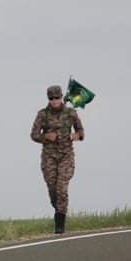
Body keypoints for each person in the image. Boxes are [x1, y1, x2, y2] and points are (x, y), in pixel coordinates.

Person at [31, 85, 85, 234]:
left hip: (66, 156)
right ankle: (59, 209)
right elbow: (33, 135)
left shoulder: (71, 113)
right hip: (49, 157)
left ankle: (60, 224)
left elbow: (81, 131)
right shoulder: (42, 114)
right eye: (51, 98)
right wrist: (45, 136)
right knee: (53, 190)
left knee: (61, 188)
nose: (54, 101)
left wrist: (76, 136)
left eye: (57, 98)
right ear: (48, 99)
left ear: (61, 97)